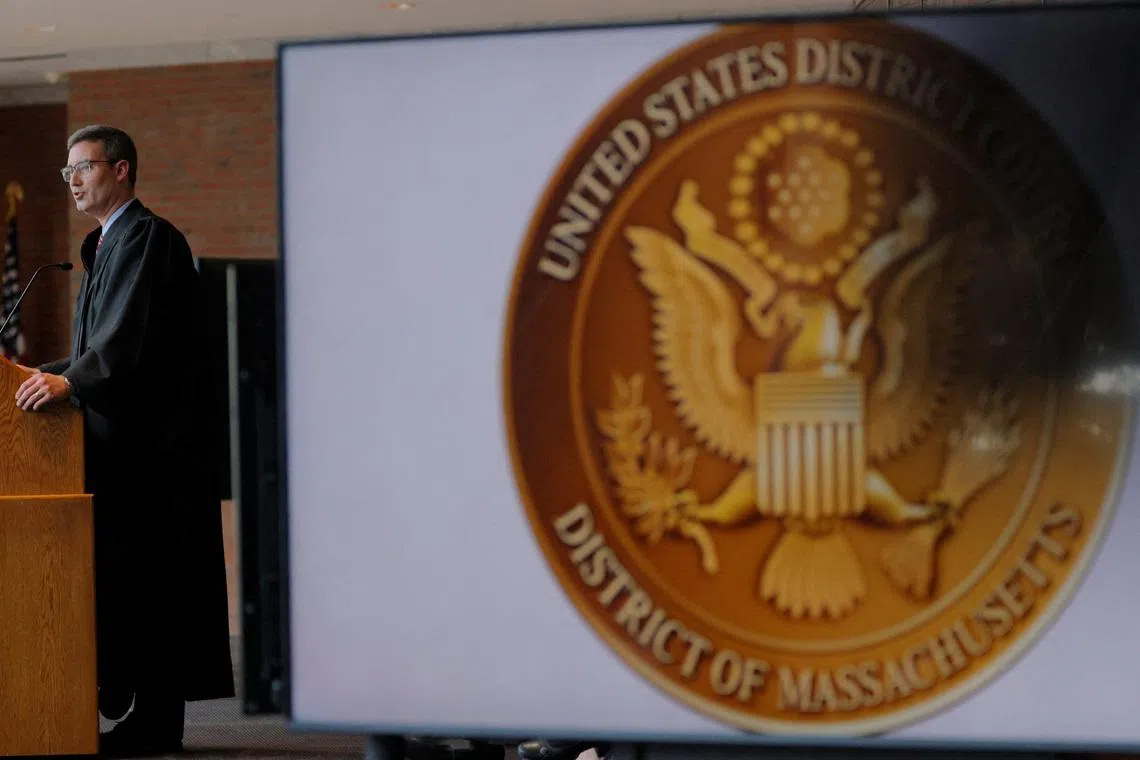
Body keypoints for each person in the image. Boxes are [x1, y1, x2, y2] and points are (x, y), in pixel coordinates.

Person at [14, 124, 234, 757]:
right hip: (122, 456)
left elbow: (126, 345)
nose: (74, 180)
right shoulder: (106, 244)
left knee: (157, 585)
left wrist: (66, 383)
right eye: (68, 172)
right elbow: (96, 349)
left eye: (83, 167)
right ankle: (135, 705)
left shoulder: (149, 239)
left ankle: (157, 722)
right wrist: (44, 374)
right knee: (132, 585)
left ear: (122, 170)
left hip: (153, 461)